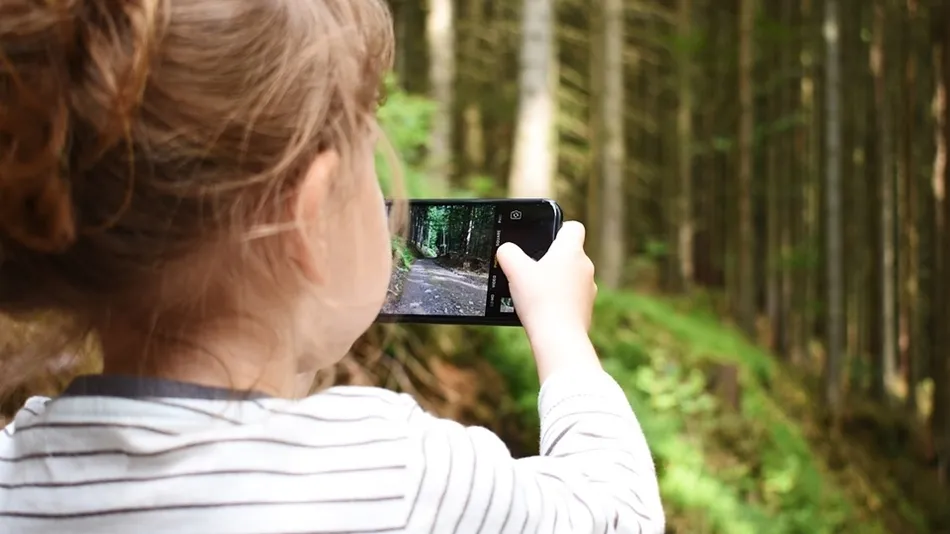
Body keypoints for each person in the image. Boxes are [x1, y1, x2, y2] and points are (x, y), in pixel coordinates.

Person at [0, 0, 665, 532]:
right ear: (308, 219)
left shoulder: (16, 472)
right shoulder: (397, 474)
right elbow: (618, 513)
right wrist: (564, 338)